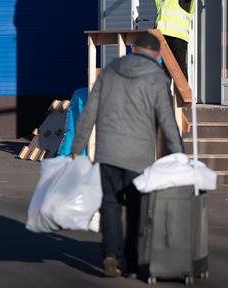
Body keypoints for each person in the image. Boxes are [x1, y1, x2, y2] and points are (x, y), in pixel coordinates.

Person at [71, 32, 184, 278]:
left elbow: (90, 110)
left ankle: (111, 253)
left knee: (110, 206)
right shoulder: (157, 77)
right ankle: (131, 264)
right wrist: (180, 156)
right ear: (156, 55)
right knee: (136, 210)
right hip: (138, 158)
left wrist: (77, 148)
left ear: (133, 49)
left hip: (107, 153)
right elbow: (167, 121)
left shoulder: (110, 72)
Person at [154, 0, 195, 79]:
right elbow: (159, 17)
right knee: (163, 71)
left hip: (178, 38)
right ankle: (164, 96)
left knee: (179, 69)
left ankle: (184, 97)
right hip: (162, 37)